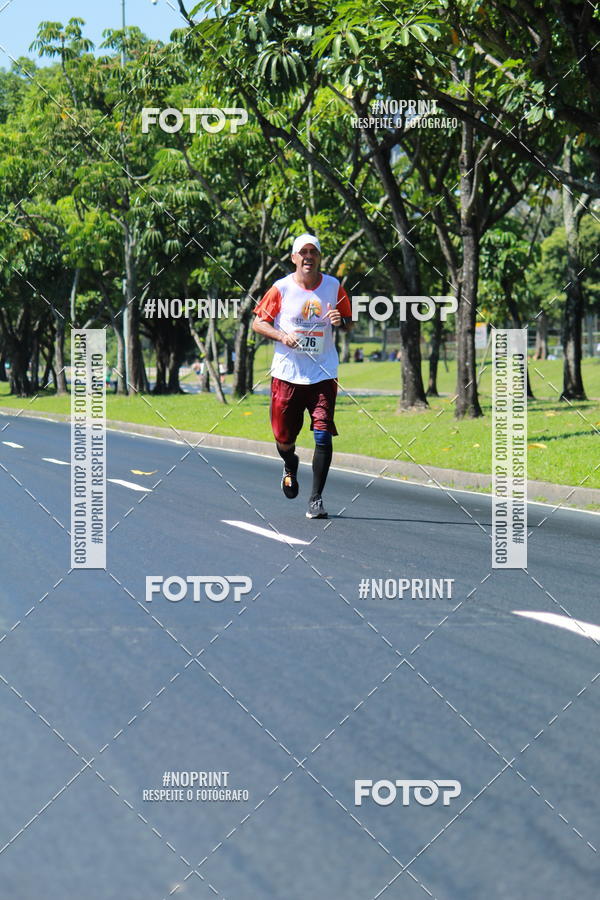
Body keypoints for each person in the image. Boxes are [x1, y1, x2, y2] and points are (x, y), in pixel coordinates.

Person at [252, 233, 353, 518]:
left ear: (320, 257)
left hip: (322, 373)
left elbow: (349, 323)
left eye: (314, 252)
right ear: (294, 258)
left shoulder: (335, 287)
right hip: (287, 375)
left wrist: (341, 321)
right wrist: (281, 335)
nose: (308, 256)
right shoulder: (280, 288)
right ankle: (289, 464)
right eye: (303, 252)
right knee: (284, 438)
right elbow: (258, 323)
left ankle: (316, 499)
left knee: (323, 434)